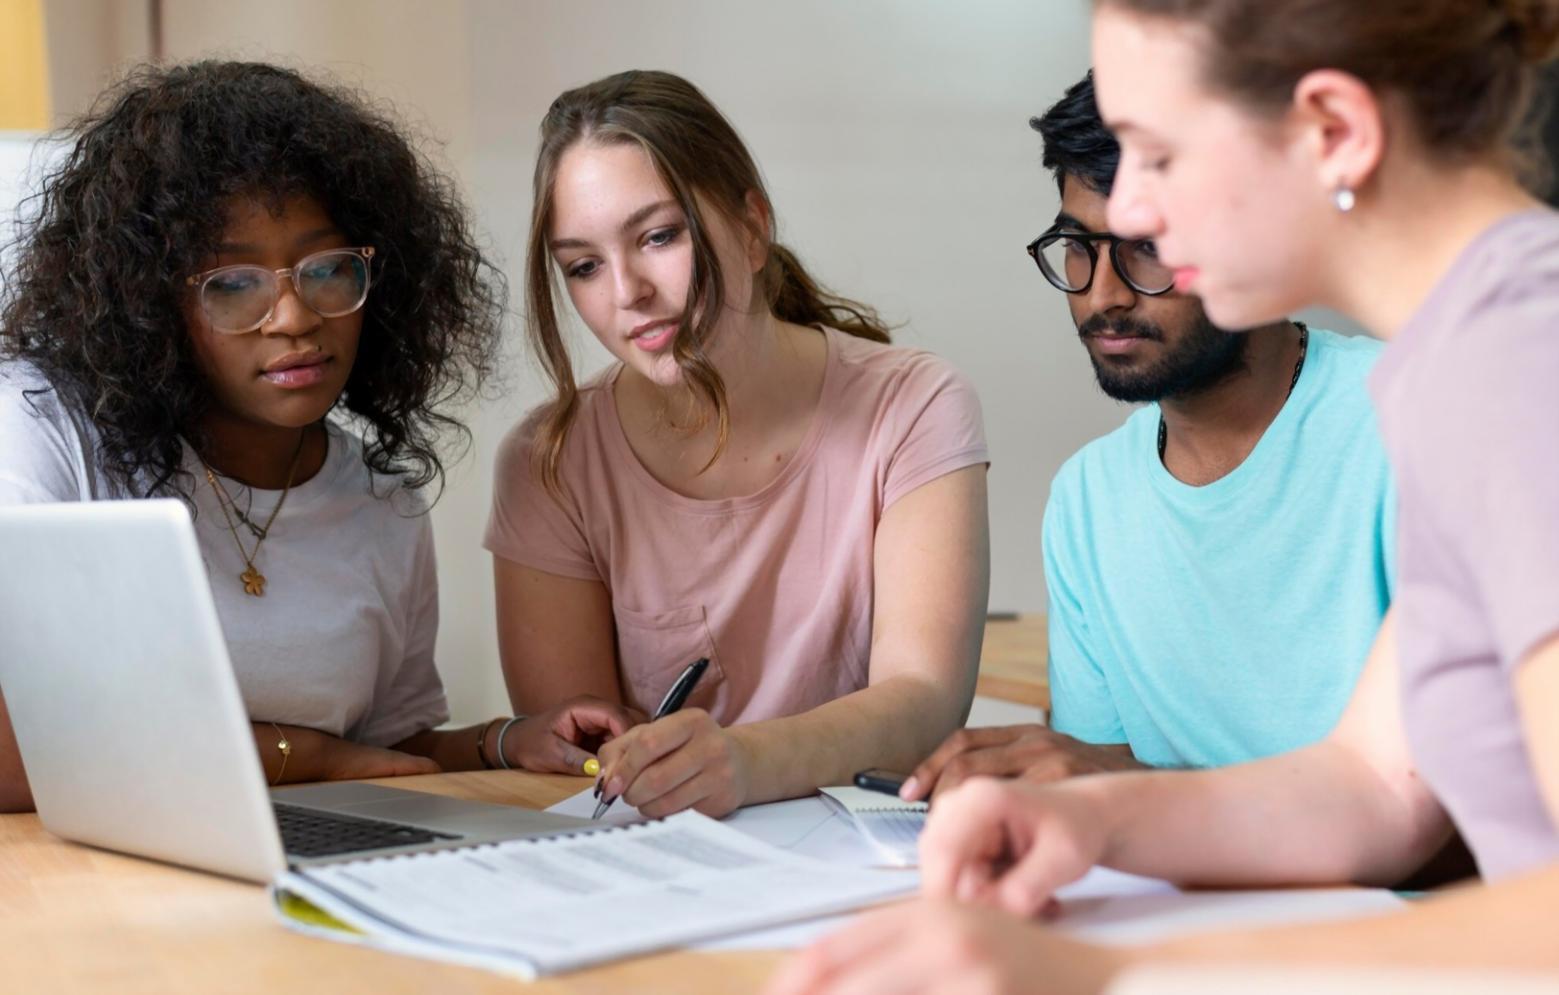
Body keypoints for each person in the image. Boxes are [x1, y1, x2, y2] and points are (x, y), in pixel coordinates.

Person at [768, 1, 1559, 991]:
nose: (1128, 213)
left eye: (1155, 153)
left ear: (1333, 133)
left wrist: (1108, 971)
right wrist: (1088, 814)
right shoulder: (1457, 362)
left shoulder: (1524, 361)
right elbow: (1371, 787)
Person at [0, 61, 637, 814]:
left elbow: (385, 752)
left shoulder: (380, 503)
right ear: (145, 303)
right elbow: (16, 761)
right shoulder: (42, 427)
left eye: (328, 268)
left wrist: (504, 738)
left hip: (300, 867)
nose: (296, 317)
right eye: (232, 284)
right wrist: (299, 752)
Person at [485, 69, 990, 820]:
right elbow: (577, 757)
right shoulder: (547, 462)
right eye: (584, 266)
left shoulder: (913, 405)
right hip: (661, 871)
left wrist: (745, 760)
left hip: (862, 862)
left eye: (658, 236)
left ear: (751, 228)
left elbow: (924, 702)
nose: (626, 292)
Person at [905, 72, 1393, 801]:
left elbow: (1499, 817)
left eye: (1147, 246)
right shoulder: (1087, 500)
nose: (1102, 294)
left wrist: (1133, 787)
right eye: (1077, 247)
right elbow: (1102, 797)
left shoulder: (1404, 416)